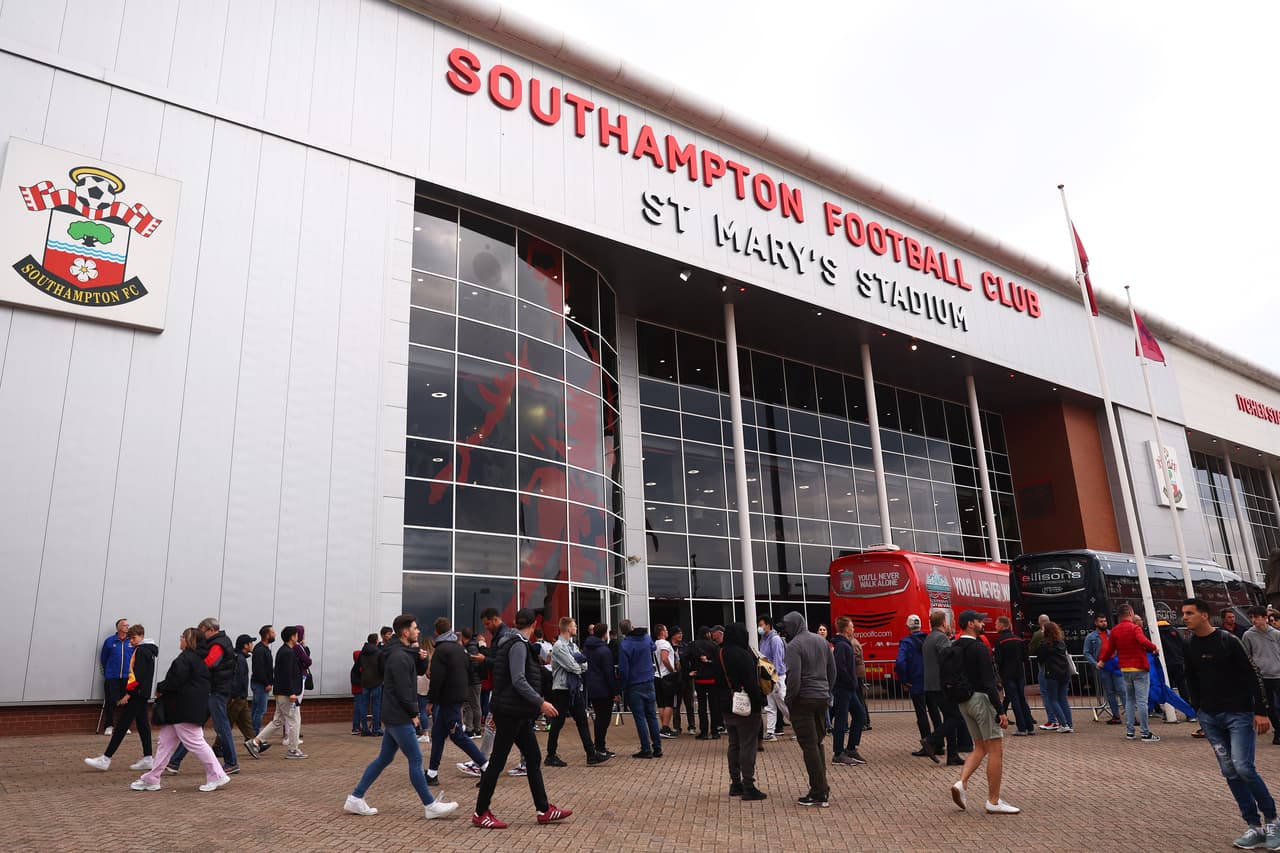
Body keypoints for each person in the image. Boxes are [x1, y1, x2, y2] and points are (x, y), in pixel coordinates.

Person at [1182, 597, 1280, 849]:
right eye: (1183, 613)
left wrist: (1260, 711)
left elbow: (1252, 675)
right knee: (1229, 771)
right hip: (1210, 716)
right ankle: (1253, 826)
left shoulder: (1229, 641)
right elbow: (1190, 677)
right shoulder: (1189, 644)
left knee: (1243, 767)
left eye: (1190, 613)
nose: (1185, 617)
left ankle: (1272, 821)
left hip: (1238, 713)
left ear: (1204, 615)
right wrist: (1198, 710)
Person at [343, 613, 460, 820]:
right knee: (415, 759)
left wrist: (422, 660)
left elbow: (415, 673)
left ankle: (355, 798)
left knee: (384, 758)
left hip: (393, 714)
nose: (418, 631)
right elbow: (401, 687)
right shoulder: (398, 656)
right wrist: (413, 713)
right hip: (398, 715)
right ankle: (430, 805)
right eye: (415, 628)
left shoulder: (403, 652)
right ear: (405, 632)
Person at [472, 608, 572, 829]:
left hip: (514, 712)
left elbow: (503, 678)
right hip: (511, 712)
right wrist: (541, 702)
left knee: (533, 757)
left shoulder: (510, 642)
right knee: (497, 762)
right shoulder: (517, 644)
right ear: (535, 623)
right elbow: (517, 679)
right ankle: (480, 812)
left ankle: (544, 809)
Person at [130, 627, 228, 793]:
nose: (180, 639)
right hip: (183, 709)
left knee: (195, 742)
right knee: (165, 742)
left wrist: (160, 687)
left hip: (183, 709)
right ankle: (153, 778)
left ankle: (217, 774)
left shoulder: (185, 659)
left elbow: (174, 681)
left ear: (189, 640)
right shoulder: (198, 659)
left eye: (182, 637)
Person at [949, 610, 1019, 814]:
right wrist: (1001, 711)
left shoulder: (955, 646)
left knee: (979, 746)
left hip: (964, 701)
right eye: (979, 620)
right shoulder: (979, 647)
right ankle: (993, 801)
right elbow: (989, 682)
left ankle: (961, 783)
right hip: (981, 699)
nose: (982, 623)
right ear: (970, 624)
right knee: (996, 750)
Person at [166, 617, 238, 776]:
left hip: (216, 691)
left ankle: (232, 762)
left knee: (221, 727)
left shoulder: (219, 643)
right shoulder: (217, 642)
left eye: (202, 631)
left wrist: (193, 667)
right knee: (193, 725)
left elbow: (209, 663)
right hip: (211, 690)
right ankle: (174, 762)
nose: (200, 635)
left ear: (210, 630)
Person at [422, 617, 490, 784]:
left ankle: (486, 767)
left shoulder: (441, 650)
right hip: (458, 696)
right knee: (438, 735)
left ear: (436, 632)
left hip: (447, 699)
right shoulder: (460, 649)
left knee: (457, 736)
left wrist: (431, 701)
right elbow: (469, 670)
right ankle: (432, 773)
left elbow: (437, 678)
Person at [781, 610, 836, 808]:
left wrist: (789, 700)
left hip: (803, 698)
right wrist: (827, 691)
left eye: (786, 627)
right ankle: (822, 787)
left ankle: (819, 792)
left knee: (809, 745)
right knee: (818, 742)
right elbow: (832, 669)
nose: (785, 631)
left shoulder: (794, 645)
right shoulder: (821, 641)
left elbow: (793, 677)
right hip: (821, 697)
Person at [85, 624, 156, 772]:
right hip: (142, 694)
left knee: (122, 725)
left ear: (141, 636)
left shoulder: (141, 651)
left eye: (134, 638)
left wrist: (128, 694)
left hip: (137, 694)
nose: (131, 641)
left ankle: (106, 758)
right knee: (143, 725)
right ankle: (148, 757)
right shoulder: (148, 650)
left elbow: (138, 675)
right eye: (130, 638)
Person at [545, 617, 609, 767]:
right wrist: (577, 662)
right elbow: (574, 666)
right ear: (568, 629)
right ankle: (550, 755)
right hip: (562, 689)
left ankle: (591, 755)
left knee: (582, 722)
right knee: (557, 723)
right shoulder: (559, 646)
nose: (576, 628)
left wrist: (577, 662)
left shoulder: (572, 646)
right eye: (574, 626)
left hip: (574, 688)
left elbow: (584, 663)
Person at [1098, 602, 1161, 742]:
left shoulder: (1114, 630)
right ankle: (1145, 732)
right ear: (1131, 613)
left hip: (1125, 669)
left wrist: (1102, 661)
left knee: (1130, 700)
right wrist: (1154, 648)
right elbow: (1143, 641)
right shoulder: (1135, 628)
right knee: (1142, 701)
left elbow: (1110, 650)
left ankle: (1130, 731)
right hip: (1139, 668)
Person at [719, 622, 767, 801]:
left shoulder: (721, 653)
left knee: (734, 744)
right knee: (748, 744)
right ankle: (748, 785)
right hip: (746, 705)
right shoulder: (744, 654)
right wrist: (759, 702)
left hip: (726, 705)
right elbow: (751, 683)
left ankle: (735, 783)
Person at [246, 625, 306, 759]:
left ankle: (255, 742)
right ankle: (293, 750)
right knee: (295, 721)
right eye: (296, 635)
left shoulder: (284, 651)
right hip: (287, 694)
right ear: (292, 637)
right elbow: (286, 675)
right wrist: (291, 692)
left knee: (278, 721)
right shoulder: (288, 653)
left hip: (281, 692)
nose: (298, 637)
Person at [921, 610, 966, 766]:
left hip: (931, 685)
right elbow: (948, 660)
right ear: (943, 623)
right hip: (942, 685)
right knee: (956, 717)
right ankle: (931, 740)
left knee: (949, 717)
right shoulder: (941, 638)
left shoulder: (929, 638)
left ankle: (952, 754)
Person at [618, 619, 663, 759]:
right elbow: (653, 648)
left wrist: (622, 686)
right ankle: (657, 747)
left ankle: (646, 748)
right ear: (632, 626)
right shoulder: (645, 637)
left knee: (640, 718)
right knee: (652, 716)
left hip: (634, 684)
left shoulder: (625, 645)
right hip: (649, 680)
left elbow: (623, 670)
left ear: (622, 632)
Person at [214, 634, 259, 758]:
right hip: (236, 697)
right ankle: (217, 747)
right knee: (228, 721)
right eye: (250, 643)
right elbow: (237, 679)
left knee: (246, 721)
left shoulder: (239, 658)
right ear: (245, 646)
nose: (252, 645)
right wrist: (235, 695)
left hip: (241, 696)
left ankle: (253, 742)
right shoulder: (239, 659)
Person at [896, 614, 935, 750]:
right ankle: (939, 743)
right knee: (934, 712)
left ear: (907, 626)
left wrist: (904, 679)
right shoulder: (928, 639)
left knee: (922, 714)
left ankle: (927, 745)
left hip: (916, 683)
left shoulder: (906, 642)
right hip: (931, 682)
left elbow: (900, 662)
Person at [1242, 605, 1280, 746]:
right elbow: (1247, 654)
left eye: (1256, 617)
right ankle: (1278, 730)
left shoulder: (1276, 634)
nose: (1254, 620)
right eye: (1251, 617)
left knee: (1278, 705)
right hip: (1262, 676)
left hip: (1278, 674)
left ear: (1265, 618)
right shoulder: (1248, 635)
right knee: (1268, 706)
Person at [831, 616, 865, 765]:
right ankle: (838, 753)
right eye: (851, 626)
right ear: (845, 629)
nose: (853, 629)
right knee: (841, 720)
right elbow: (840, 668)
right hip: (843, 688)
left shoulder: (845, 644)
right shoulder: (842, 646)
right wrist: (851, 681)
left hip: (849, 688)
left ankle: (851, 747)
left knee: (860, 715)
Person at [993, 617, 1033, 735]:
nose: (995, 626)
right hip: (1019, 673)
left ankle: (1021, 728)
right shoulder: (1019, 639)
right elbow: (1025, 657)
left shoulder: (1000, 641)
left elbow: (998, 660)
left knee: (1014, 700)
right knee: (1022, 699)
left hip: (1007, 674)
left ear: (1001, 625)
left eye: (996, 623)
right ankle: (1029, 726)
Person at [583, 621, 618, 757]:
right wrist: (614, 691)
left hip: (592, 687)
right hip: (604, 688)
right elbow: (608, 673)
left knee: (599, 718)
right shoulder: (604, 650)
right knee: (604, 719)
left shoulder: (587, 648)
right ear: (605, 634)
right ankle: (600, 746)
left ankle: (599, 745)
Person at [1083, 614, 1124, 724]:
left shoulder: (1112, 634)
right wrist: (1095, 663)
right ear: (1096, 623)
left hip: (1115, 665)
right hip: (1103, 666)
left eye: (1105, 621)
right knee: (1109, 692)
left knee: (1122, 690)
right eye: (1101, 621)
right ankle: (1116, 715)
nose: (1104, 623)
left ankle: (1130, 715)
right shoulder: (1091, 637)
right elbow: (1086, 652)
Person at [99, 618, 133, 736]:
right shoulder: (109, 641)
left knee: (126, 703)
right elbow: (104, 658)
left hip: (127, 677)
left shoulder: (131, 641)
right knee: (110, 701)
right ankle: (109, 725)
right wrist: (108, 671)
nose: (127, 627)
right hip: (112, 676)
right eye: (125, 625)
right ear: (118, 628)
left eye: (128, 625)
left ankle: (124, 726)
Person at [758, 615, 788, 743]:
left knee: (783, 704)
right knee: (770, 705)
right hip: (767, 677)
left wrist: (775, 676)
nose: (759, 627)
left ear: (768, 625)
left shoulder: (775, 640)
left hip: (776, 676)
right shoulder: (763, 639)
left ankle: (800, 727)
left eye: (761, 624)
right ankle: (770, 731)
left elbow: (778, 659)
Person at [1039, 622, 1074, 733]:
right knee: (1063, 699)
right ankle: (1069, 723)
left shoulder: (1045, 644)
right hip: (1064, 673)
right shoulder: (1061, 643)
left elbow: (1040, 657)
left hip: (1052, 674)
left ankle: (1063, 723)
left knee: (1053, 699)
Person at [691, 625, 724, 739]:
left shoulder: (693, 645)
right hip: (712, 680)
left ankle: (704, 732)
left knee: (702, 707)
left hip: (699, 679)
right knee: (714, 706)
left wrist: (690, 671)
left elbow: (685, 658)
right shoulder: (714, 646)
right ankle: (715, 731)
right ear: (707, 634)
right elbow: (719, 661)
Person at [1029, 613, 1056, 729]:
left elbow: (1032, 649)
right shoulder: (1057, 632)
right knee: (1057, 695)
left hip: (1045, 667)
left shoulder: (1038, 635)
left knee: (1046, 694)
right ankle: (1063, 720)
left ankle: (1052, 720)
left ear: (1040, 622)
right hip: (1058, 667)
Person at [670, 626, 697, 735]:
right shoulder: (668, 647)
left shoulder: (686, 646)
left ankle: (692, 726)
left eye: (681, 633)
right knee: (676, 705)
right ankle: (677, 727)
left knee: (689, 704)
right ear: (672, 635)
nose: (680, 635)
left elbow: (692, 660)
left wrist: (692, 671)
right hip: (675, 680)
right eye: (678, 633)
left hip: (686, 679)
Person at [653, 624, 678, 738]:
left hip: (657, 676)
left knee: (661, 703)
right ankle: (665, 727)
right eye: (666, 630)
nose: (667, 632)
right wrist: (672, 670)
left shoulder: (655, 643)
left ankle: (664, 726)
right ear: (662, 632)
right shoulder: (665, 643)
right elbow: (664, 658)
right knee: (669, 703)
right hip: (666, 676)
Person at [359, 631, 384, 736]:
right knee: (376, 706)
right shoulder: (379, 652)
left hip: (365, 681)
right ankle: (376, 729)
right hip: (376, 681)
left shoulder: (362, 652)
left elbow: (359, 666)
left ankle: (364, 729)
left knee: (364, 705)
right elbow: (382, 667)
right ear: (376, 641)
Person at [459, 627, 484, 737]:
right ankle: (472, 728)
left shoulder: (470, 648)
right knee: (471, 705)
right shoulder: (473, 646)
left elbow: (473, 664)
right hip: (474, 680)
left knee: (473, 705)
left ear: (463, 637)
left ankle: (474, 729)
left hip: (472, 681)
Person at [250, 625, 275, 734]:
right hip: (260, 685)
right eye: (273, 633)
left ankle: (251, 733)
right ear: (267, 635)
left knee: (256, 710)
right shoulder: (260, 649)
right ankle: (255, 735)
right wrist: (267, 683)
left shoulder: (264, 648)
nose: (275, 635)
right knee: (259, 710)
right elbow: (259, 669)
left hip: (261, 684)